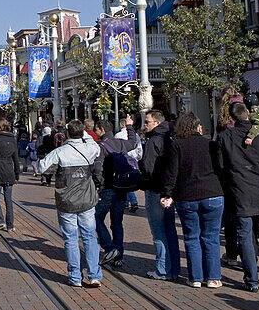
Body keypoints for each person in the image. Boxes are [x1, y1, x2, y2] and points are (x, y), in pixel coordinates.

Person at [216, 102, 259, 292]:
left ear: (231, 117)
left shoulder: (225, 137)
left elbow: (221, 166)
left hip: (240, 189)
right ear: (248, 113)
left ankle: (252, 279)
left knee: (244, 234)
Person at [161, 112, 224, 288]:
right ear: (199, 127)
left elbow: (171, 172)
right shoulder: (210, 144)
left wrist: (167, 193)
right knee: (211, 237)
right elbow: (220, 168)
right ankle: (213, 277)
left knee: (191, 237)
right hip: (212, 193)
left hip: (187, 195)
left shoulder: (177, 145)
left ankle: (196, 277)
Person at [37, 121, 103, 287]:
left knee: (71, 239)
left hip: (66, 201)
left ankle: (75, 277)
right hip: (87, 200)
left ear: (67, 134)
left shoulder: (60, 152)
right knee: (89, 237)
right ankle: (94, 275)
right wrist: (84, 134)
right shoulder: (89, 149)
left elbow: (42, 167)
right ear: (82, 133)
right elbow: (94, 145)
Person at [139, 110, 180, 281]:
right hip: (168, 191)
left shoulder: (153, 141)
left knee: (158, 231)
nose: (144, 125)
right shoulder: (171, 138)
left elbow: (148, 168)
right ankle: (173, 269)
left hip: (155, 189)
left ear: (156, 123)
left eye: (147, 122)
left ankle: (162, 269)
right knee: (170, 230)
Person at [96, 119, 140, 269]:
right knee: (117, 223)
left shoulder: (101, 146)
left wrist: (98, 184)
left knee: (97, 218)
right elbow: (134, 142)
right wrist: (129, 126)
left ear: (101, 130)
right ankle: (119, 257)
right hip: (121, 188)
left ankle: (110, 248)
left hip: (107, 188)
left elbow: (98, 169)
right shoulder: (121, 143)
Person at [0, 119, 20, 233]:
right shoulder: (13, 139)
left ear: (1, 127)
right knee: (8, 199)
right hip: (9, 171)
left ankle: (0, 221)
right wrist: (17, 174)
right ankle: (10, 224)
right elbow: (16, 158)